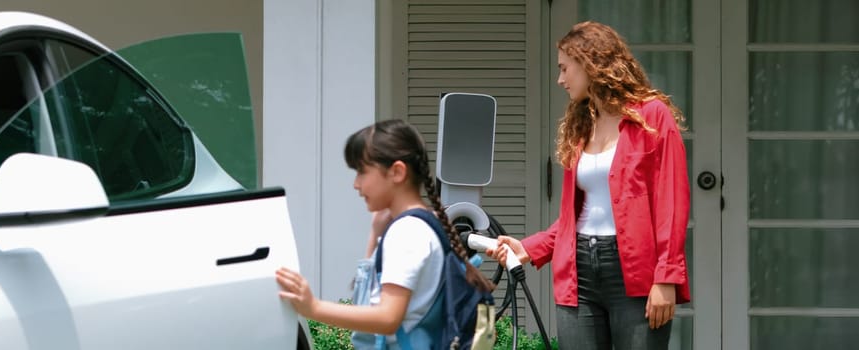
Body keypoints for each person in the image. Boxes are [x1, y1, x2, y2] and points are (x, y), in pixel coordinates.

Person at [489, 21, 691, 350]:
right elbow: (577, 217)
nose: (560, 79)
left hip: (635, 275)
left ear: (590, 63)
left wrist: (666, 277)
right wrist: (529, 247)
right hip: (578, 272)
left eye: (565, 68)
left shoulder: (652, 117)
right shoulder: (582, 127)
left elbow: (672, 203)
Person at [276, 119, 494, 349]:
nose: (356, 184)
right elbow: (368, 320)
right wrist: (375, 235)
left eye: (362, 172)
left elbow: (387, 318)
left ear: (397, 172)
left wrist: (313, 307)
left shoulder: (408, 232)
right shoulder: (421, 225)